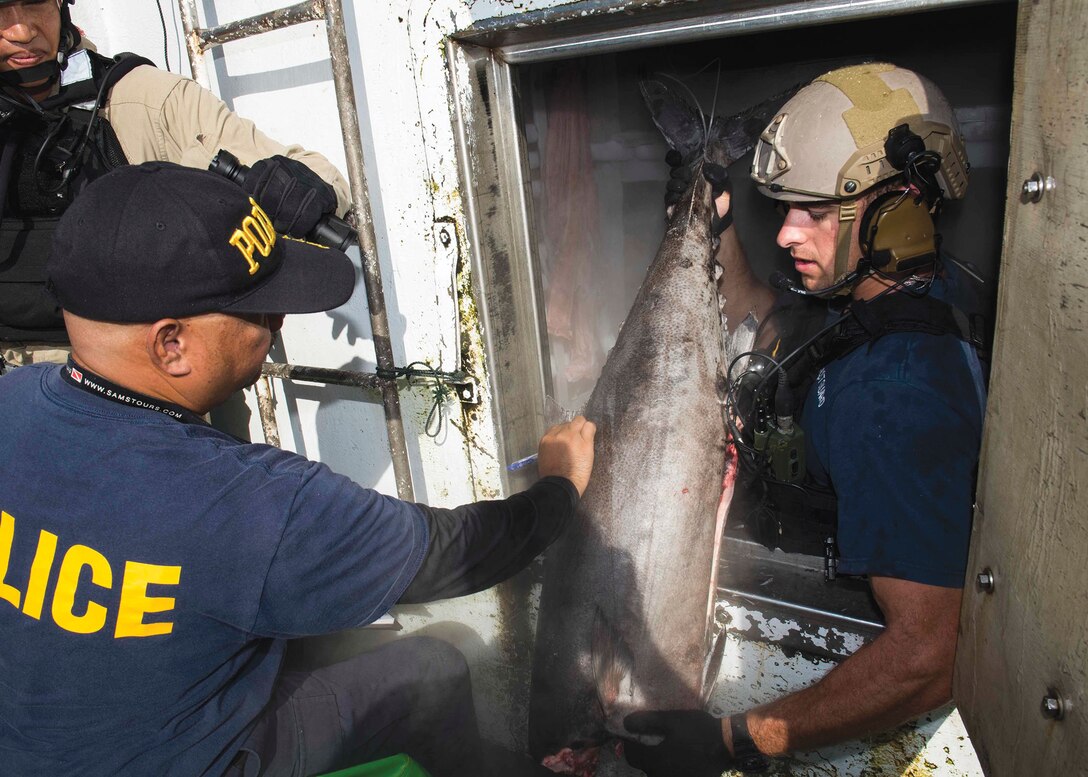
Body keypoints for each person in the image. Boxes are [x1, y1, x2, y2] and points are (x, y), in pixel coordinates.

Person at [0, 161, 597, 776]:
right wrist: (560, 485)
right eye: (261, 313)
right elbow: (459, 551)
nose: (279, 326)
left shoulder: (12, 401)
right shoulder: (245, 502)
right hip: (186, 761)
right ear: (170, 344)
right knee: (435, 668)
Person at [624, 62, 987, 774]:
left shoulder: (897, 395)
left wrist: (734, 738)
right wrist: (713, 218)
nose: (788, 232)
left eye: (815, 212)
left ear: (901, 213)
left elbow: (928, 655)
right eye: (786, 207)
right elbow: (761, 316)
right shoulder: (890, 304)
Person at [0, 0, 348, 369]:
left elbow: (316, 175)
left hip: (136, 377)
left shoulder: (143, 98)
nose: (22, 31)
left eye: (36, 3)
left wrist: (305, 189)